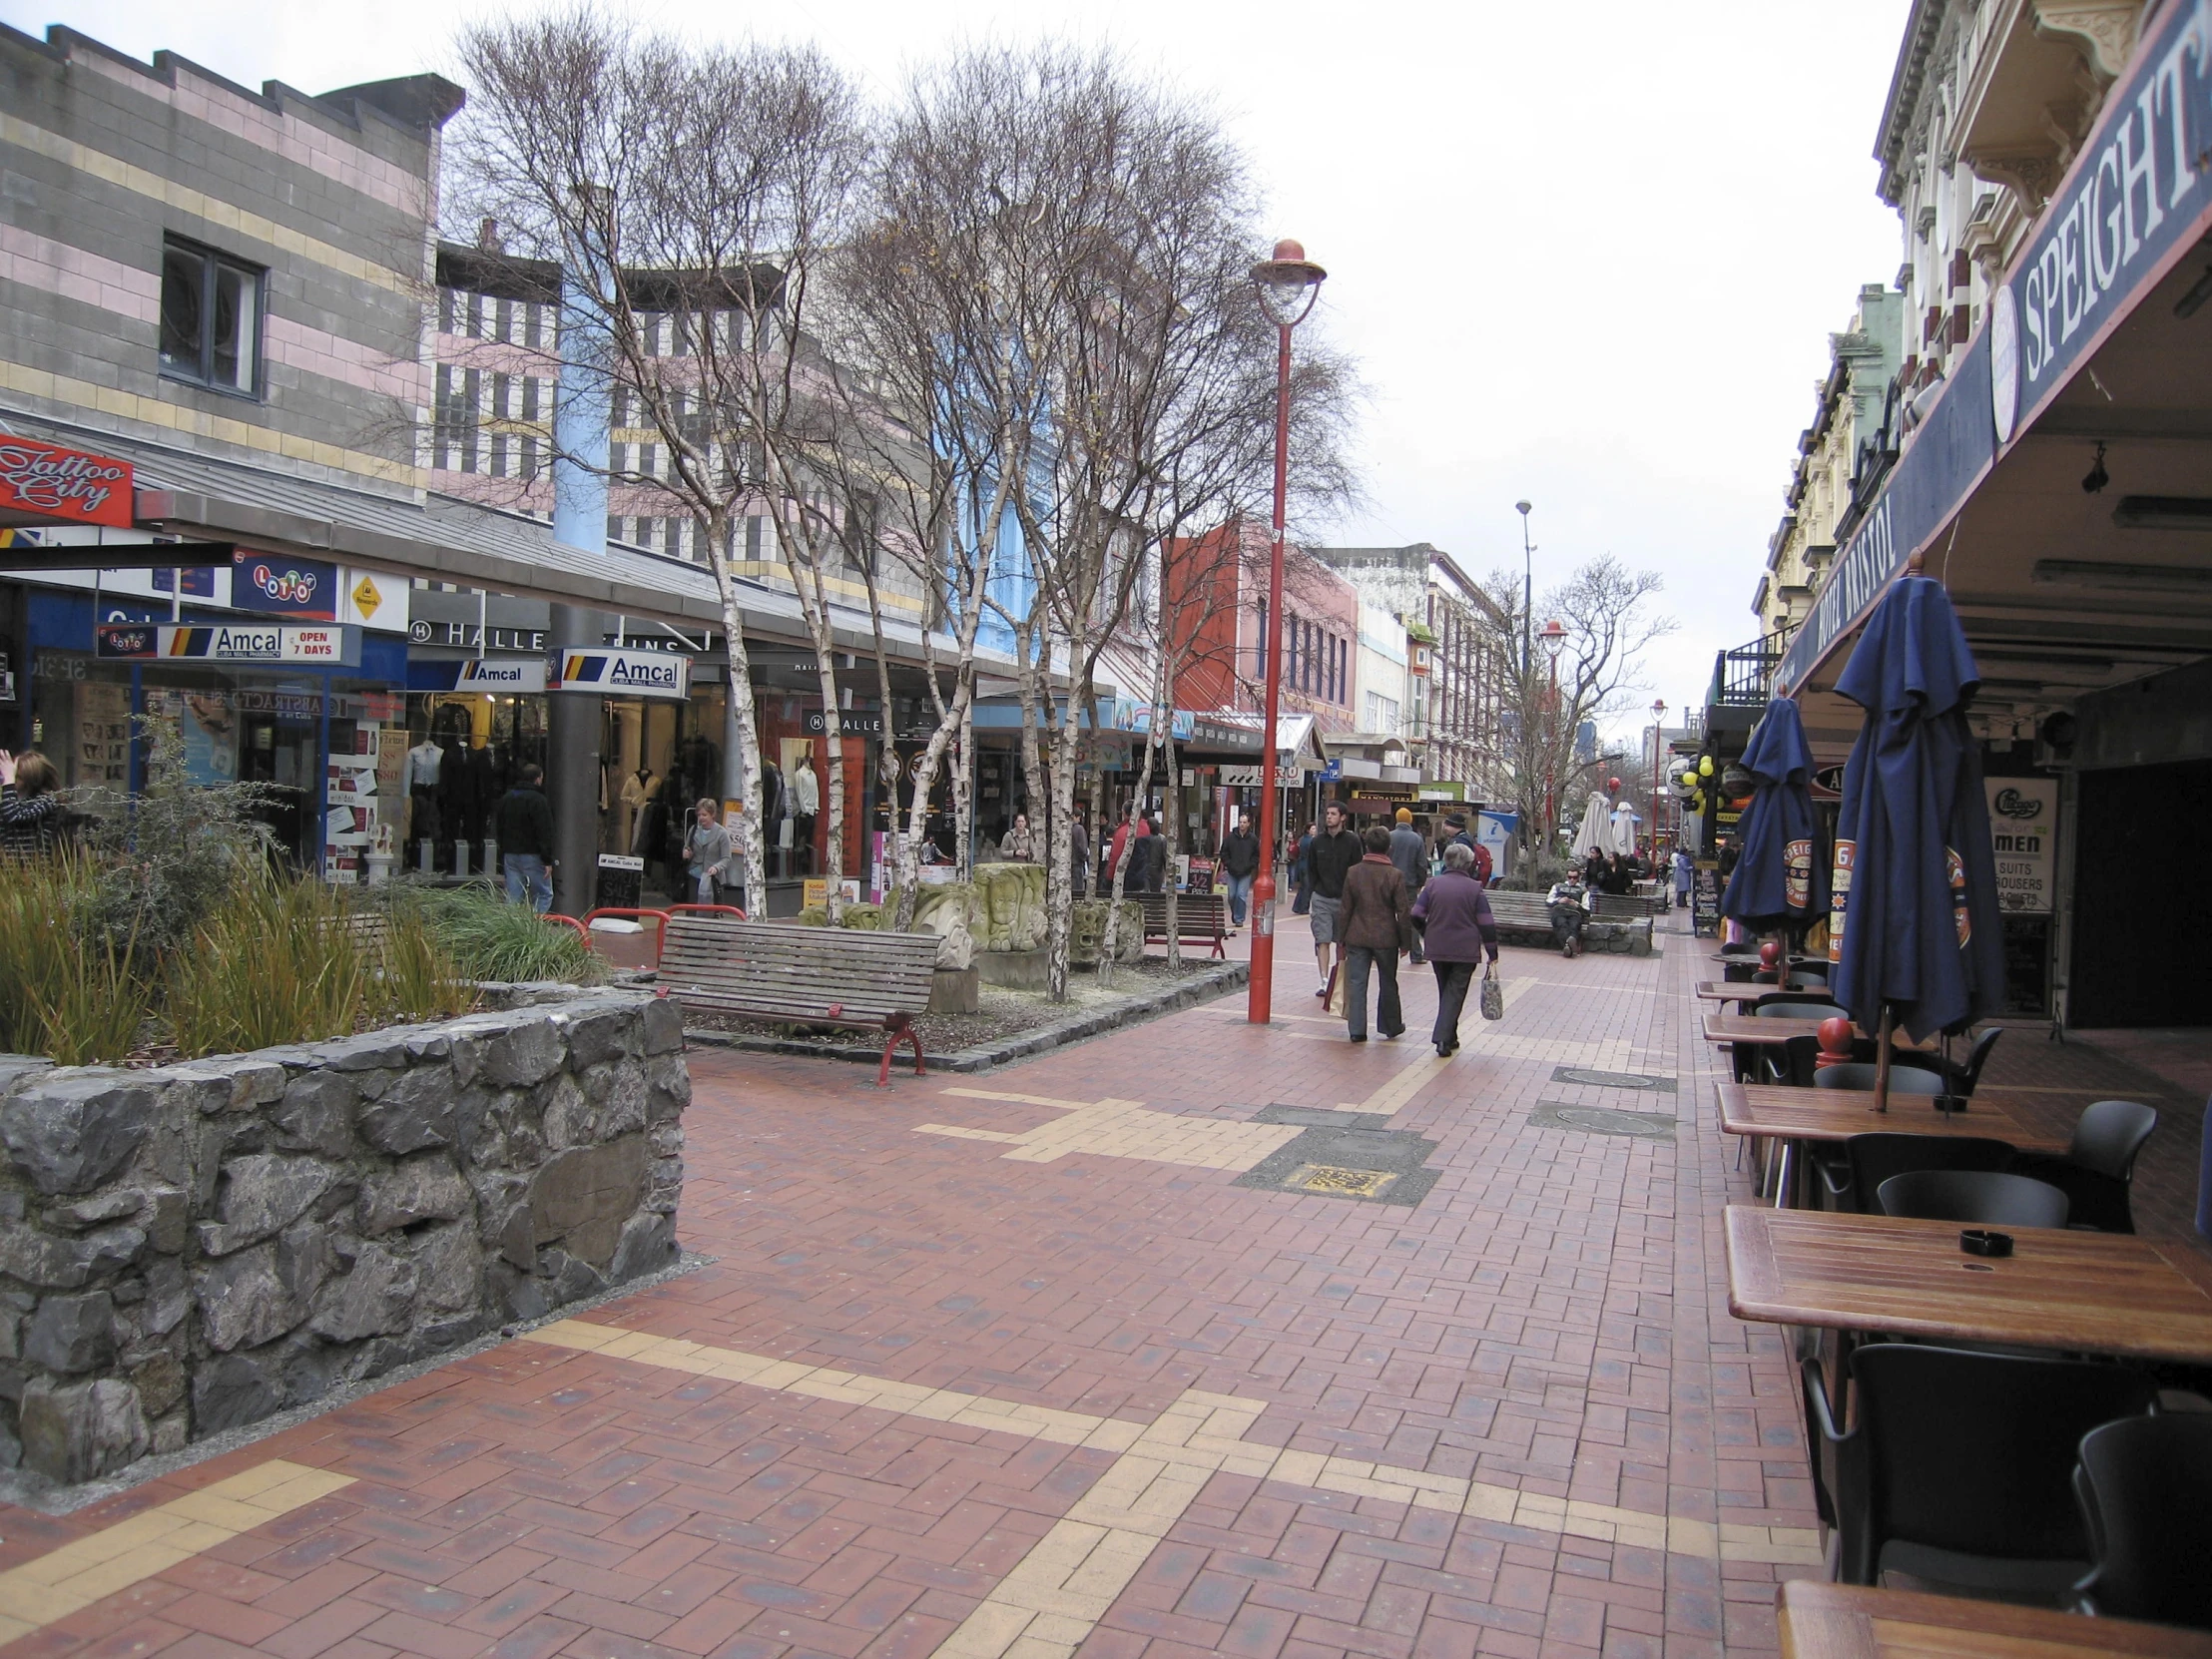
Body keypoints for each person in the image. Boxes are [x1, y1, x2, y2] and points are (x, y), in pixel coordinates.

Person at [1414, 841, 1501, 1056]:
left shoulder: (1433, 884)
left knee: (1446, 991)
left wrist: (1427, 933)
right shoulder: (1474, 889)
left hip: (1437, 946)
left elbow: (1416, 914)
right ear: (1469, 865)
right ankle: (1443, 1039)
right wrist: (1492, 953)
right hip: (1465, 949)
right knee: (1455, 993)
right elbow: (1486, 923)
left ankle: (1450, 1036)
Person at [1336, 824, 1411, 1041]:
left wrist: (1341, 938)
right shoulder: (1394, 875)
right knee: (1388, 981)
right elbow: (1403, 912)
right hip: (1386, 937)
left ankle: (1357, 1030)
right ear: (1389, 848)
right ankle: (1390, 1025)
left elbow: (1345, 908)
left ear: (1366, 845)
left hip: (1356, 935)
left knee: (1357, 982)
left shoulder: (1353, 872)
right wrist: (1406, 943)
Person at [1305, 801, 1360, 998]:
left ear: (1343, 817)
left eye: (1333, 814)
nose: (1329, 817)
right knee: (1323, 939)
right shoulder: (1317, 842)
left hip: (1345, 899)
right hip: (1321, 897)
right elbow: (1311, 869)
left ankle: (1339, 979)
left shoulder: (1352, 841)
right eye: (1327, 813)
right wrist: (1313, 892)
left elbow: (1357, 870)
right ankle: (1324, 980)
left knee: (1342, 941)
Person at [492, 763, 556, 911]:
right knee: (543, 894)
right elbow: (544, 831)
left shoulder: (507, 798)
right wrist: (547, 859)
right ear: (538, 779)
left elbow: (499, 827)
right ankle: (534, 927)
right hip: (533, 854)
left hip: (510, 854)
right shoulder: (539, 800)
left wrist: (502, 851)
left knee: (513, 896)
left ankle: (510, 928)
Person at [0, 750, 63, 856]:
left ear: (31, 779)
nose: (10, 780)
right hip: (8, 867)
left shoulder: (47, 800)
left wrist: (9, 782)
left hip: (34, 868)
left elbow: (14, 816)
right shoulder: (9, 801)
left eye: (17, 777)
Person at [1387, 809, 1428, 964]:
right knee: (1410, 919)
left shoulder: (1389, 837)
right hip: (1409, 884)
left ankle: (1383, 950)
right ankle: (1416, 954)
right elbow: (1421, 864)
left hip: (1389, 882)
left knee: (1387, 915)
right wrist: (1420, 882)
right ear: (1410, 820)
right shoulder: (1416, 839)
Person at [683, 798, 736, 906]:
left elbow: (727, 858)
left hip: (712, 878)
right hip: (695, 875)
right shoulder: (693, 830)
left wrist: (717, 867)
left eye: (704, 815)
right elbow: (687, 848)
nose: (701, 818)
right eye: (699, 815)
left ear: (712, 815)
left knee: (709, 911)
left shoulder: (722, 833)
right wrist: (686, 854)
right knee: (692, 910)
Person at [1218, 812, 1260, 929]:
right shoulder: (1230, 838)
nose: (1242, 824)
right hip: (1232, 871)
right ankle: (1235, 913)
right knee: (1232, 896)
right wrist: (1228, 864)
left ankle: (1239, 918)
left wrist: (1251, 865)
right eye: (1240, 822)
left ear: (1248, 824)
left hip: (1245, 872)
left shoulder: (1253, 839)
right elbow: (1224, 852)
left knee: (1241, 895)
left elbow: (1256, 855)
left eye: (1244, 822)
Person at [1441, 811, 1491, 885]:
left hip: (1457, 882)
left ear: (1453, 826)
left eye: (1447, 826)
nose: (1445, 829)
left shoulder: (1460, 841)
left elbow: (1453, 863)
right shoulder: (1468, 838)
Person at [1070, 810, 1091, 898]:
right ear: (1074, 816)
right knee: (1077, 892)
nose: (1079, 820)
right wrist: (1085, 857)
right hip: (1077, 864)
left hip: (1065, 864)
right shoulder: (1079, 829)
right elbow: (1082, 848)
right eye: (1078, 818)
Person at [1673, 844, 1694, 912]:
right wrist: (1692, 867)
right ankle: (1681, 903)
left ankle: (1682, 902)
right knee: (1682, 890)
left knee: (1682, 890)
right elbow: (1685, 868)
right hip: (1683, 876)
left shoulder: (1682, 859)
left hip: (1682, 876)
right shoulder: (1682, 860)